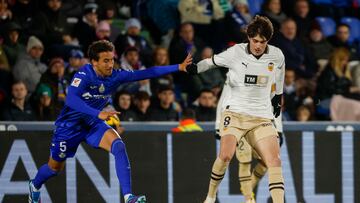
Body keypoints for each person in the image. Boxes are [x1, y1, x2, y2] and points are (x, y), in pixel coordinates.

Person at [28, 40, 192, 203]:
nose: (110, 64)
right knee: (54, 168)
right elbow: (71, 99)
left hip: (92, 124)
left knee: (118, 146)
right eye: (105, 61)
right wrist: (97, 113)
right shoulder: (84, 75)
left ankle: (129, 197)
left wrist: (178, 67)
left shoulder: (115, 76)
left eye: (112, 59)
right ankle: (34, 186)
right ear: (94, 62)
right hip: (69, 127)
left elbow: (147, 72)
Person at [187, 15, 285, 203]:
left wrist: (277, 98)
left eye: (262, 42)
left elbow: (279, 76)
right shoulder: (235, 52)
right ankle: (210, 196)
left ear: (268, 41)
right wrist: (196, 68)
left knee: (274, 161)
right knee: (225, 156)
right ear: (248, 37)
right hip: (235, 115)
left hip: (261, 117)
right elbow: (211, 61)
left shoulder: (277, 55)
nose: (258, 45)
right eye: (255, 40)